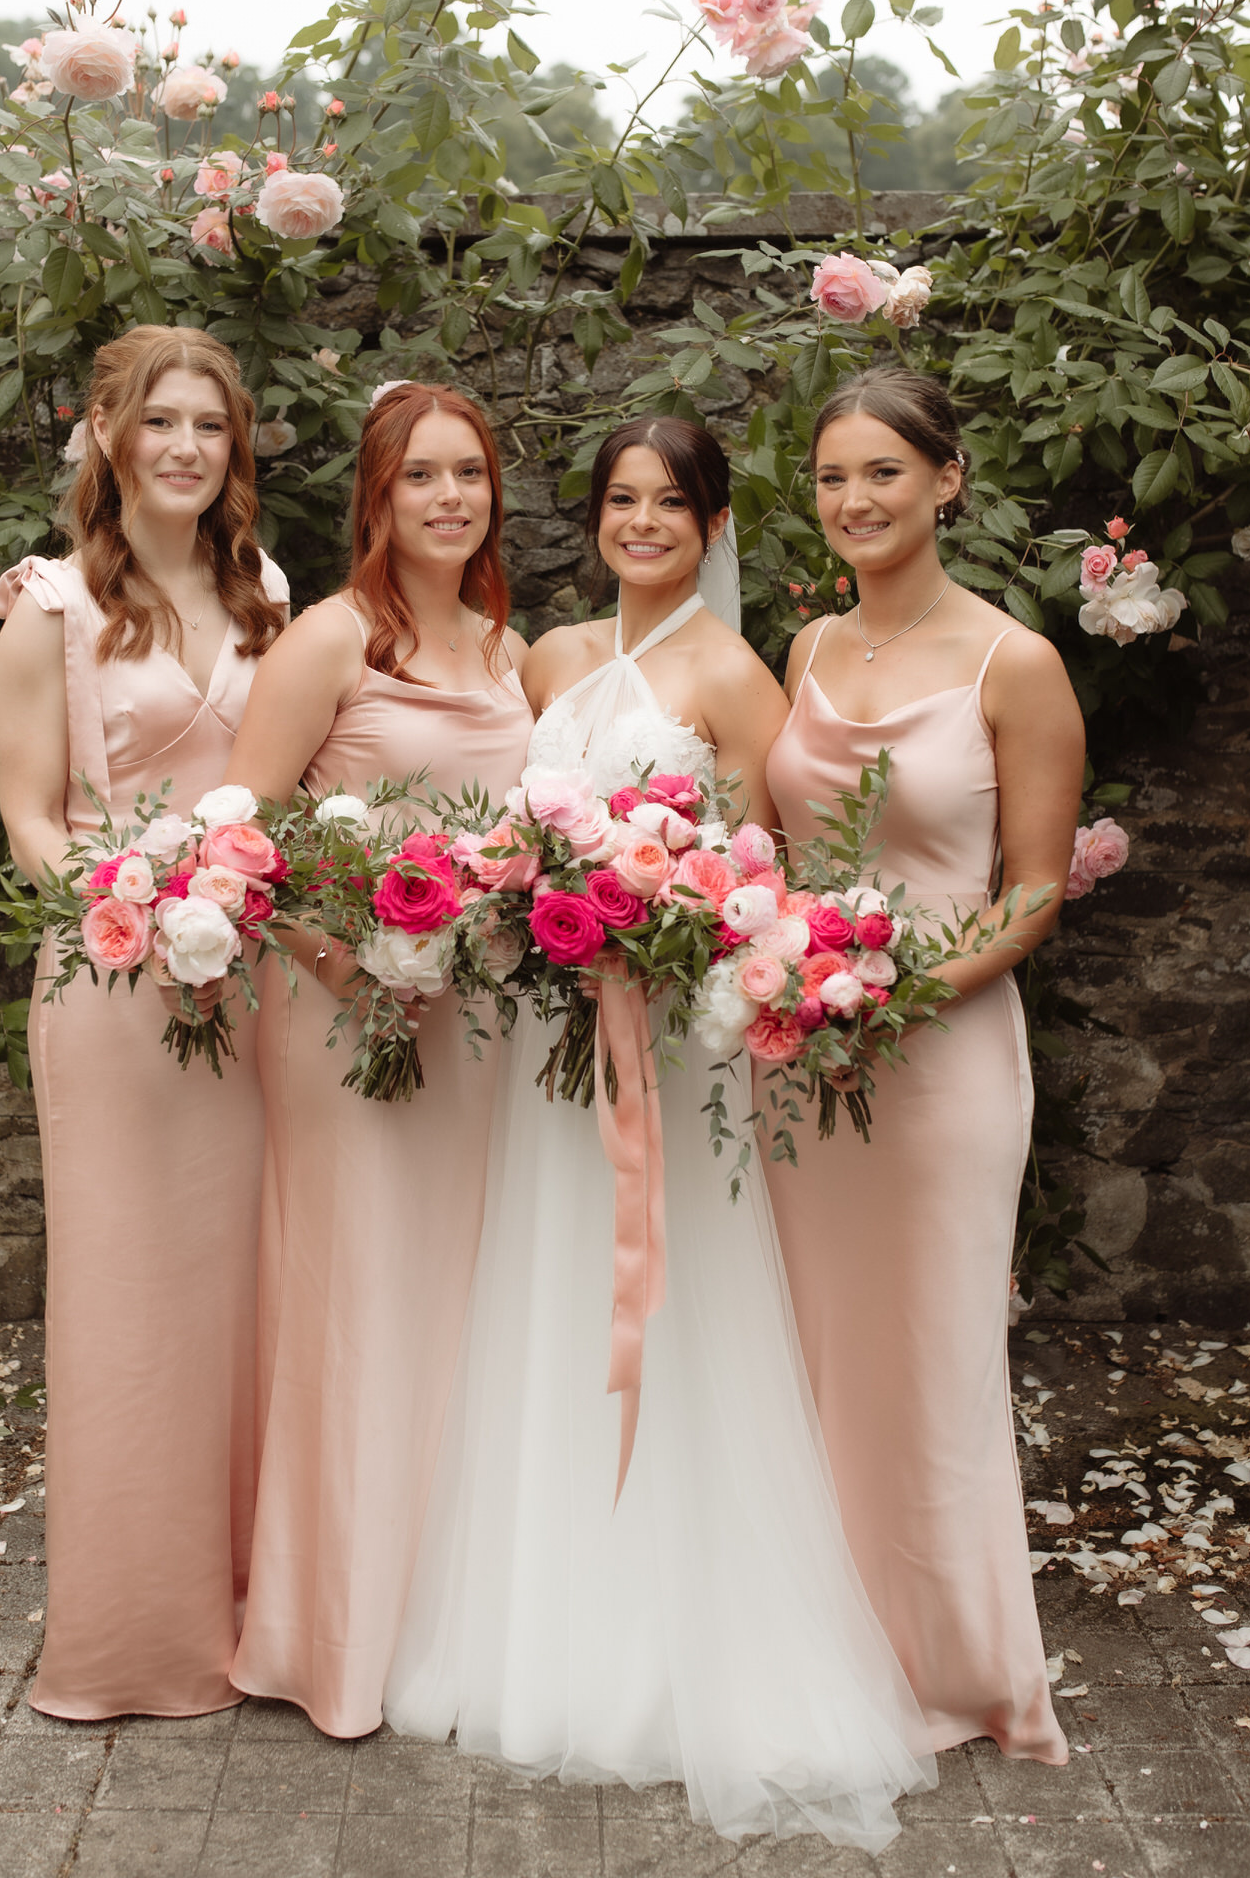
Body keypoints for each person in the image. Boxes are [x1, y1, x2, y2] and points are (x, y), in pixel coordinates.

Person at [384, 416, 937, 1850]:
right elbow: (505, 835)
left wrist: (681, 932)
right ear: (596, 517)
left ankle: (676, 1649)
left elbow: (780, 879)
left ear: (711, 524)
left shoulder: (735, 677)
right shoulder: (547, 658)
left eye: (668, 505)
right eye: (620, 502)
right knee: (548, 1314)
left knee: (676, 1325)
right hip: (546, 1055)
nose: (641, 524)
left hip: (672, 1067)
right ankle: (545, 1632)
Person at [762, 369, 1085, 1765]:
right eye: (833, 478)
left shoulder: (1013, 662)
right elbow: (774, 853)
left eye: (883, 473)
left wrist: (898, 991)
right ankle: (816, 1653)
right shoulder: (805, 654)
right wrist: (784, 967)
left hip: (940, 1054)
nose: (854, 502)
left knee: (932, 1353)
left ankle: (958, 1675)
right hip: (796, 1061)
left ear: (946, 479)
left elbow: (1032, 894)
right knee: (811, 1352)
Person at [0, 324, 290, 1719]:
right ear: (105, 434)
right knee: (127, 1308)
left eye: (209, 427)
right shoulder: (48, 607)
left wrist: (230, 907)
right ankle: (131, 1641)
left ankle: (254, 1613)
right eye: (158, 421)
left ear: (234, 450)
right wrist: (137, 902)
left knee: (247, 1300)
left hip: (252, 988)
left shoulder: (266, 590)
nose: (183, 447)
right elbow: (32, 823)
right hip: (112, 983)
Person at [225, 381, 534, 1738]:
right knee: (359, 1304)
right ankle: (334, 1639)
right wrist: (353, 964)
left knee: (466, 1309)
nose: (448, 499)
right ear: (376, 495)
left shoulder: (512, 650)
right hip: (346, 1017)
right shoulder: (328, 641)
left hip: (480, 1030)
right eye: (421, 477)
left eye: (468, 474)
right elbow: (243, 838)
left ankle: (446, 1626)